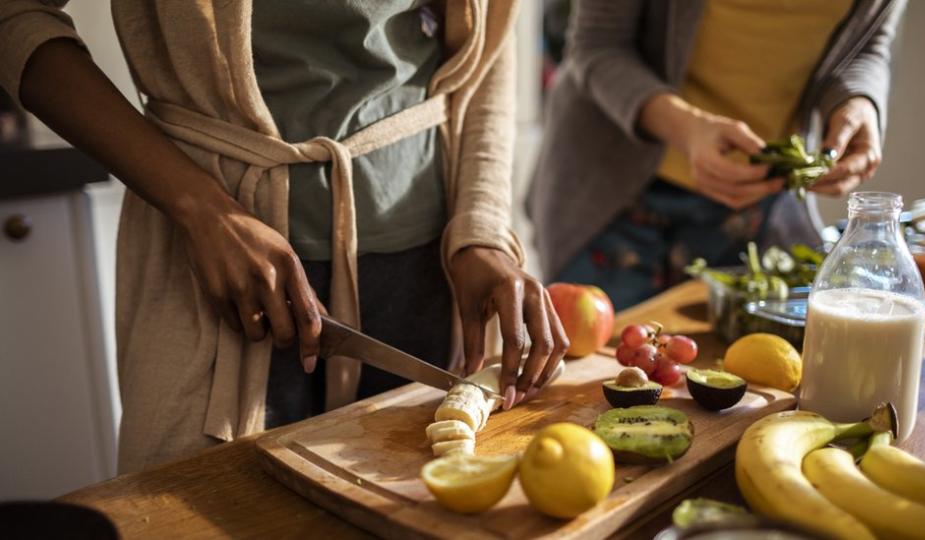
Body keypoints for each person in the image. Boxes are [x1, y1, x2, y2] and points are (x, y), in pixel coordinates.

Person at [0, 0, 567, 473]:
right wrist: (201, 209)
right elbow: (15, 16)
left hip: (431, 277)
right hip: (221, 284)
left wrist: (483, 230)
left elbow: (490, 45)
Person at [527, 0, 905, 310]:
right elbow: (597, 45)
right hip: (610, 195)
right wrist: (688, 129)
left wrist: (858, 104)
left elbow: (867, 45)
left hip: (759, 206)